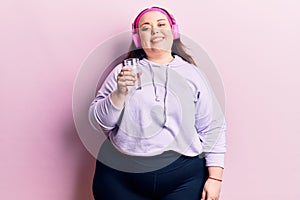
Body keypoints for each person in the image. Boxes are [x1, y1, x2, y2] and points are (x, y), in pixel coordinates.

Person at [89, 6, 226, 200]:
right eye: (146, 27)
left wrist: (215, 178)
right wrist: (119, 94)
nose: (154, 30)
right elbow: (99, 123)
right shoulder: (122, 72)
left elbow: (213, 127)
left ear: (174, 32)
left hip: (183, 178)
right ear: (137, 38)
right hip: (120, 176)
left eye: (161, 24)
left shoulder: (193, 75)